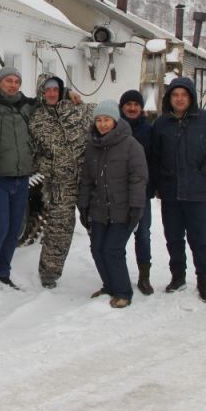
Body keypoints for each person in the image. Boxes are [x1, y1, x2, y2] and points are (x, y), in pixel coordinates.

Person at [150, 76, 206, 303]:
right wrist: (157, 184)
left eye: (184, 95)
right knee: (173, 238)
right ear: (169, 98)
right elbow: (155, 156)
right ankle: (178, 277)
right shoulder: (162, 124)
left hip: (198, 192)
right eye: (175, 95)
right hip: (171, 192)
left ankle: (203, 281)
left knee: (200, 239)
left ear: (191, 97)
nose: (180, 99)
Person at [77, 100, 148, 308]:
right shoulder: (93, 146)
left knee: (112, 249)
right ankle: (109, 285)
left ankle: (123, 291)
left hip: (122, 209)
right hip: (99, 209)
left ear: (115, 121)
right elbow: (87, 180)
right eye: (99, 120)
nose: (102, 124)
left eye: (107, 120)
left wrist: (136, 207)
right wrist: (83, 206)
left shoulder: (131, 145)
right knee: (97, 248)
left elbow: (138, 178)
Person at [28, 74, 94, 288]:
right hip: (60, 185)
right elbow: (33, 152)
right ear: (41, 91)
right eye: (47, 89)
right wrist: (48, 169)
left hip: (87, 181)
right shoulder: (36, 119)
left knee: (99, 227)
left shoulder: (76, 109)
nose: (51, 93)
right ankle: (49, 275)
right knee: (59, 230)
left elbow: (105, 118)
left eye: (55, 89)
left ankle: (110, 272)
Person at [0, 66, 39, 289]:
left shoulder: (26, 106)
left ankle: (3, 271)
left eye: (16, 81)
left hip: (22, 177)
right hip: (0, 177)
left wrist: (68, 92)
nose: (13, 85)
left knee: (15, 229)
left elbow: (49, 99)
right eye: (8, 81)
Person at [118, 89, 156, 295]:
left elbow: (155, 160)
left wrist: (152, 186)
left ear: (141, 108)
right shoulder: (114, 128)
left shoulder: (148, 131)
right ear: (122, 107)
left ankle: (144, 277)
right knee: (118, 236)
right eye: (128, 105)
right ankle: (118, 275)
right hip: (118, 194)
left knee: (143, 235)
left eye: (136, 105)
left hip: (142, 193)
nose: (132, 108)